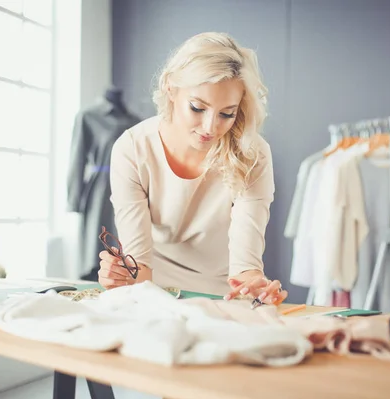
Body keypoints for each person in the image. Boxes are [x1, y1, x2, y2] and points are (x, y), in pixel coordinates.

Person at [97, 32, 288, 306]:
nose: (211, 128)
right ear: (170, 88)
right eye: (198, 108)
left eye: (227, 113)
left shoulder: (252, 154)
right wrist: (120, 277)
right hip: (152, 291)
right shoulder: (133, 149)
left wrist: (255, 287)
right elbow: (139, 267)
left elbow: (245, 268)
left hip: (222, 297)